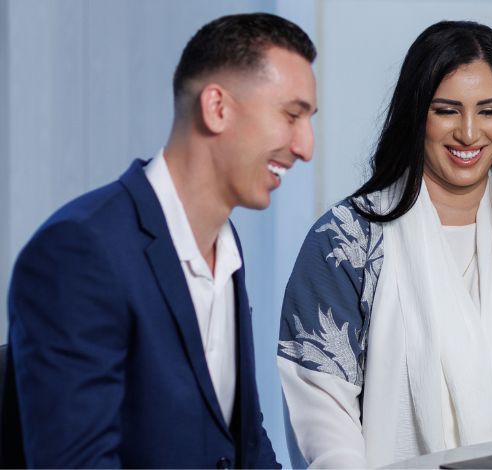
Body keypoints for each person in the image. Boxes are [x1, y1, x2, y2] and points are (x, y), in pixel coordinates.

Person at [277, 20, 492, 468]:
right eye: (447, 111)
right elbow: (323, 414)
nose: (469, 133)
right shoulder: (346, 242)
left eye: (489, 111)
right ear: (416, 114)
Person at [1, 12, 317, 468]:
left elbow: (244, 444)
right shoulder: (79, 251)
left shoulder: (227, 248)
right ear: (217, 108)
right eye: (291, 115)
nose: (306, 146)